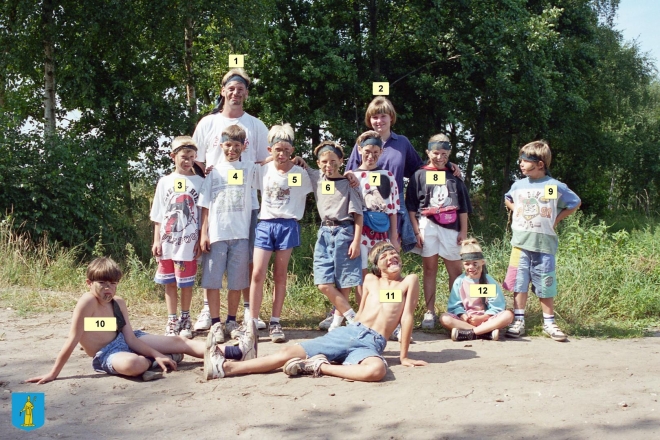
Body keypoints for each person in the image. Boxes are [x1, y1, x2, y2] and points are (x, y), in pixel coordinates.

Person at [204, 242, 428, 382]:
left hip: (373, 343)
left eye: (393, 254)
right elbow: (360, 312)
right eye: (384, 256)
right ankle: (227, 368)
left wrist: (404, 356)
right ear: (377, 265)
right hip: (350, 332)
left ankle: (320, 366)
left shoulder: (409, 281)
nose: (391, 258)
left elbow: (407, 317)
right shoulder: (370, 280)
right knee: (287, 354)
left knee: (376, 371)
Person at [25, 258, 218, 384]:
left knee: (179, 341)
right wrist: (53, 373)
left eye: (113, 284)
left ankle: (231, 353)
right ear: (89, 283)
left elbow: (131, 339)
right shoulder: (87, 302)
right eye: (102, 283)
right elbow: (73, 339)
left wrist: (156, 352)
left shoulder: (118, 302)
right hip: (108, 352)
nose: (107, 288)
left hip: (127, 340)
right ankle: (156, 360)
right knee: (135, 365)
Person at [192, 68, 270, 334]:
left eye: (241, 89)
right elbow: (197, 159)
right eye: (231, 89)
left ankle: (246, 312)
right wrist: (207, 176)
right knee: (212, 262)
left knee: (245, 258)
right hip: (214, 206)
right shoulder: (207, 123)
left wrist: (293, 164)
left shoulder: (256, 125)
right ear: (223, 91)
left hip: (247, 205)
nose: (236, 93)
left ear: (246, 93)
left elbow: (264, 161)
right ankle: (208, 311)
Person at [503, 140, 581, 341]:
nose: (521, 163)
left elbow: (574, 202)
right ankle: (518, 321)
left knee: (546, 282)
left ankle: (549, 322)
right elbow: (508, 199)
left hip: (544, 245)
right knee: (519, 283)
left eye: (526, 160)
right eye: (520, 159)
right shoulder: (518, 186)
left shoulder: (552, 187)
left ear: (540, 164)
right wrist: (516, 210)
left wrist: (556, 219)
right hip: (520, 243)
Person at [248, 123, 312, 343]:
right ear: (270, 150)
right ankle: (252, 321)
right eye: (277, 150)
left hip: (288, 225)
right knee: (257, 273)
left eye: (286, 150)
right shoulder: (262, 170)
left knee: (280, 274)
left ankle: (275, 321)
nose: (282, 154)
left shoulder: (299, 173)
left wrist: (347, 178)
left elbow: (325, 184)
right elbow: (237, 173)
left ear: (293, 151)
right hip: (265, 224)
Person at [197, 125, 259, 345]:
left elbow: (273, 164)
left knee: (237, 282)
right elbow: (204, 205)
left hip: (240, 234)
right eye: (228, 145)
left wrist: (294, 158)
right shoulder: (213, 172)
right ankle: (215, 323)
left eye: (236, 145)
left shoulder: (249, 168)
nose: (232, 149)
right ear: (221, 145)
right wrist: (203, 233)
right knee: (212, 281)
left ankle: (232, 321)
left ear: (244, 146)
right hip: (216, 234)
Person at [406, 134, 472, 331]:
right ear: (428, 152)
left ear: (449, 153)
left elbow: (463, 207)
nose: (439, 157)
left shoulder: (455, 175)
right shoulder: (419, 175)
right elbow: (411, 205)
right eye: (436, 152)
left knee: (456, 270)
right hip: (427, 225)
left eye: (444, 153)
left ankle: (454, 309)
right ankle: (430, 311)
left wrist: (464, 231)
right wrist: (416, 231)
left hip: (451, 228)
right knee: (429, 269)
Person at [305, 141, 364, 332]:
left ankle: (337, 323)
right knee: (323, 283)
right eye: (324, 162)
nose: (328, 165)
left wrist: (356, 241)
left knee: (344, 280)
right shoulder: (318, 179)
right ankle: (352, 318)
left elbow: (358, 215)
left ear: (341, 160)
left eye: (333, 161)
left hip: (344, 232)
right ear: (318, 162)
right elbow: (300, 167)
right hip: (324, 233)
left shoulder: (349, 184)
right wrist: (297, 160)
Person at [150, 136, 204, 337]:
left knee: (186, 283)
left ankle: (185, 318)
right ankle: (171, 319)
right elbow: (158, 213)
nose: (187, 160)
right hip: (168, 242)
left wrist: (200, 238)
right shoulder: (165, 182)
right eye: (183, 156)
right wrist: (156, 240)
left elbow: (202, 214)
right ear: (173, 156)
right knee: (169, 282)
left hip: (188, 243)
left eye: (191, 156)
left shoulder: (200, 182)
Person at [440, 238, 514, 341]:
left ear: (482, 262)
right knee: (444, 318)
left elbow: (496, 306)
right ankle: (485, 333)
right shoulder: (459, 282)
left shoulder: (488, 281)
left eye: (475, 263)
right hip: (466, 321)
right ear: (462, 264)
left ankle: (471, 333)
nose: (471, 267)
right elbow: (455, 305)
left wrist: (483, 317)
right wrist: (462, 315)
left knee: (508, 315)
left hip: (487, 319)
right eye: (467, 264)